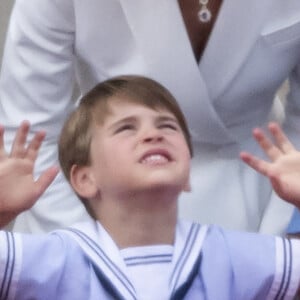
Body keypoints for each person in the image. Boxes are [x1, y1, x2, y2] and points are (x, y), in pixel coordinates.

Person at [1, 0, 300, 234]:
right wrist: (86, 253)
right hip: (90, 200)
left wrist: (282, 236)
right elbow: (32, 135)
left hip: (262, 192)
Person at [0, 75, 299, 299]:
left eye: (167, 126)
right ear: (85, 178)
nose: (153, 135)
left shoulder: (230, 256)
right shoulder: (58, 258)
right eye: (126, 128)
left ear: (188, 173)